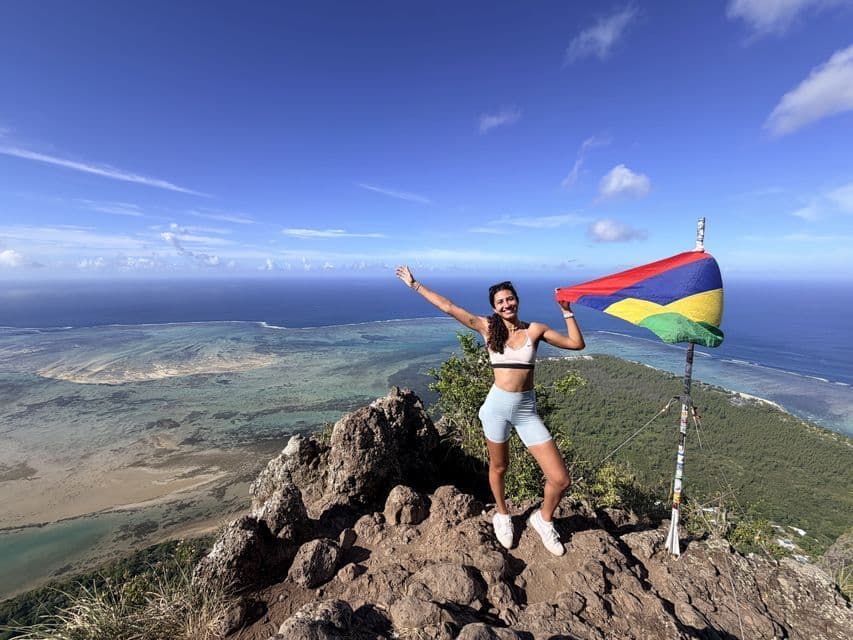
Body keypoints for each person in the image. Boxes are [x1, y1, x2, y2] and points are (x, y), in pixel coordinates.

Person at [395, 266, 585, 555]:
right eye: (500, 302)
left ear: (517, 300)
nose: (507, 305)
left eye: (510, 299)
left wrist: (566, 311)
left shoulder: (535, 330)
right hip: (496, 410)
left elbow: (576, 344)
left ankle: (543, 520)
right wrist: (415, 284)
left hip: (526, 411)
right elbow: (449, 307)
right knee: (499, 467)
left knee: (560, 479)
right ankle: (502, 514)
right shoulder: (487, 328)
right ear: (494, 308)